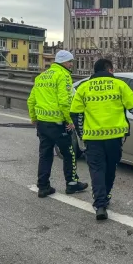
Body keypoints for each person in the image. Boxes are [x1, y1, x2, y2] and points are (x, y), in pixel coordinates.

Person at [70, 58, 133, 221]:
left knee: (97, 169)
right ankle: (106, 195)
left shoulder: (84, 87)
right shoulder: (119, 85)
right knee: (110, 167)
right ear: (110, 70)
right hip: (115, 137)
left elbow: (75, 113)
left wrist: (81, 134)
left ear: (95, 71)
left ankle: (100, 204)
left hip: (93, 138)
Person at [27, 50, 88, 198]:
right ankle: (72, 183)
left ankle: (43, 187)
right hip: (58, 123)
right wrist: (70, 120)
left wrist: (33, 118)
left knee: (45, 154)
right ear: (64, 62)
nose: (71, 64)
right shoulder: (63, 76)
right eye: (70, 62)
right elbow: (64, 101)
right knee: (69, 153)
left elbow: (31, 100)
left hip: (42, 123)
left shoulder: (41, 76)